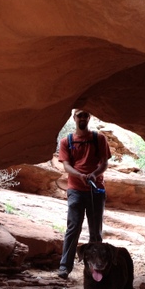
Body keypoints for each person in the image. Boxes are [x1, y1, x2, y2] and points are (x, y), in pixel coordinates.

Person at [57, 109, 111, 279]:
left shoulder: (98, 138)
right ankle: (65, 267)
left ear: (89, 118)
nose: (82, 118)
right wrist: (79, 175)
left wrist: (94, 174)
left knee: (95, 232)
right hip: (76, 190)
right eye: (79, 115)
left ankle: (97, 268)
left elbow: (104, 163)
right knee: (73, 228)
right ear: (74, 117)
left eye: (85, 115)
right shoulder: (67, 141)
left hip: (95, 189)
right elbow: (66, 165)